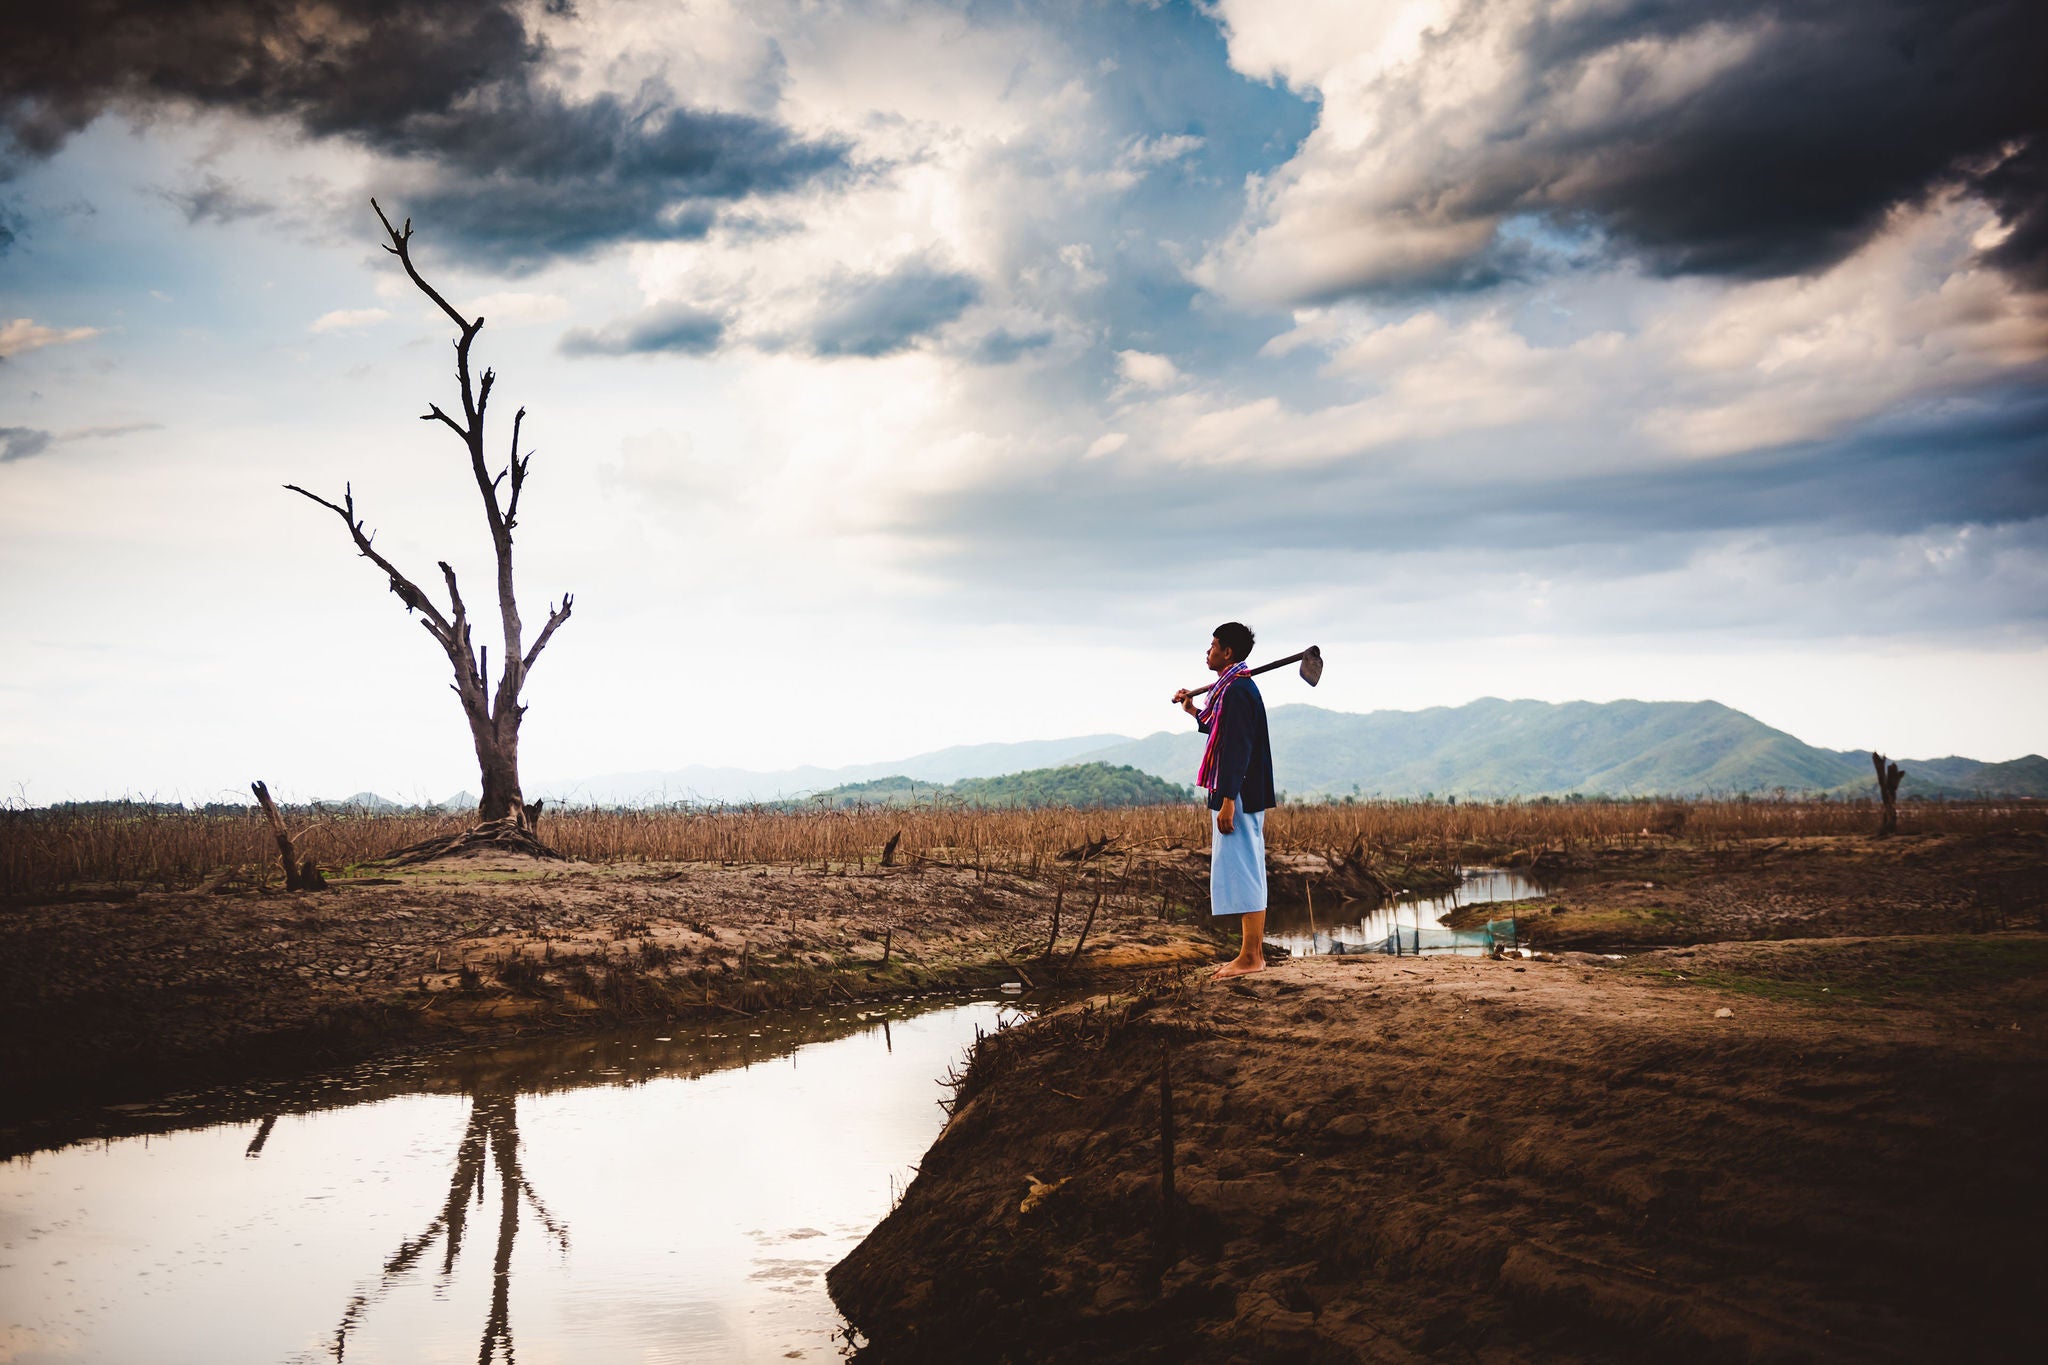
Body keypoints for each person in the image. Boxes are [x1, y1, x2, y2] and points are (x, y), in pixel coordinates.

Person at [1172, 621, 1275, 979]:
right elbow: (1219, 729)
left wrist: (1229, 799)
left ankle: (1250, 958)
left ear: (1227, 652)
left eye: (1213, 645)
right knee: (1247, 866)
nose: (1208, 651)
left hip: (1240, 791)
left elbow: (1237, 748)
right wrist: (1191, 709)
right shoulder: (1231, 689)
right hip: (1240, 789)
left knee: (1244, 869)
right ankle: (1253, 954)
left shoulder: (1236, 691)